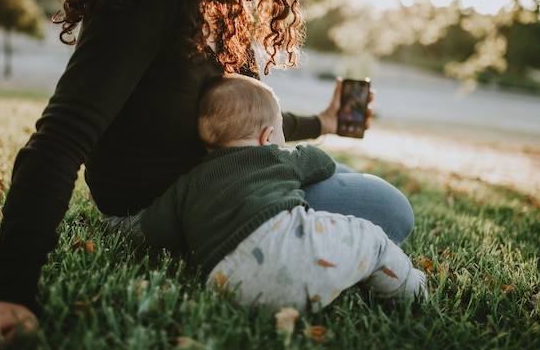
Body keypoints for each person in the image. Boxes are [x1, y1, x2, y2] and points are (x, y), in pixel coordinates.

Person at [0, 0, 415, 343]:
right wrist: (10, 289)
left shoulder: (218, 7)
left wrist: (324, 122)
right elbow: (61, 136)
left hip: (228, 179)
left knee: (355, 185)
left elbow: (250, 121)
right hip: (170, 207)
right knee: (386, 209)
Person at [133, 74, 427, 312]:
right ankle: (414, 291)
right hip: (288, 252)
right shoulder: (277, 158)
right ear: (267, 136)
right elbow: (323, 163)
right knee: (372, 240)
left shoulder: (187, 183)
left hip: (227, 283)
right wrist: (293, 153)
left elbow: (156, 229)